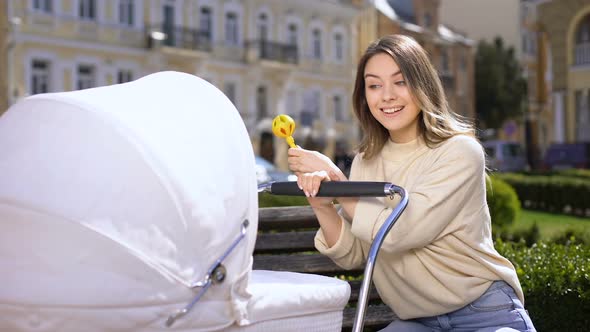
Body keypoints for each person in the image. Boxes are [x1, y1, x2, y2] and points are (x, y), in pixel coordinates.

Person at [287, 34, 536, 332]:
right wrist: (323, 203)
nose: (387, 95)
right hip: (416, 321)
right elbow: (355, 254)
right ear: (363, 95)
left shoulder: (459, 151)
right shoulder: (367, 160)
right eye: (374, 85)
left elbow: (401, 232)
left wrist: (340, 186)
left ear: (423, 85)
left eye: (400, 81)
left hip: (484, 312)